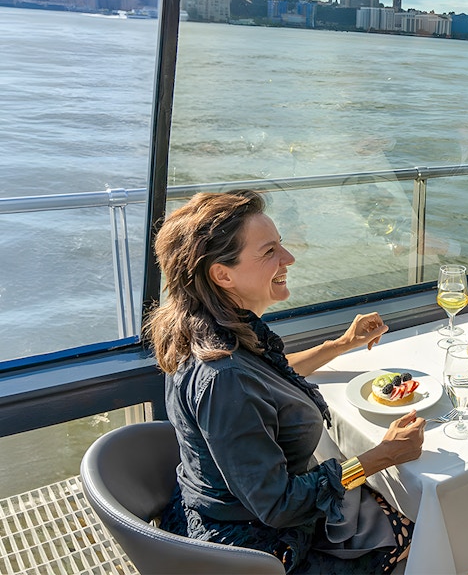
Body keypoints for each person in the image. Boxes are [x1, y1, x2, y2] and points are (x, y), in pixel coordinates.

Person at [144, 189, 425, 574]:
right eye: (269, 251)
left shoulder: (205, 329)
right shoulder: (225, 379)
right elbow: (280, 505)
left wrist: (341, 344)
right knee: (417, 527)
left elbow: (268, 378)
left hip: (218, 508)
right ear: (222, 274)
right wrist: (383, 456)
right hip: (255, 549)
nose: (288, 258)